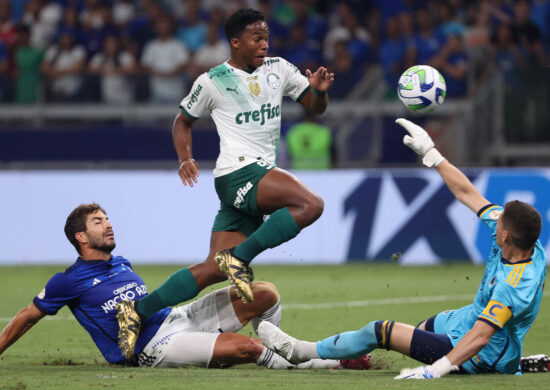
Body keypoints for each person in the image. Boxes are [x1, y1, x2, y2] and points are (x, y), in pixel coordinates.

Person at [115, 7, 334, 360]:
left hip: (257, 174)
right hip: (238, 173)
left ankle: (135, 312)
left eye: (266, 37)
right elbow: (182, 121)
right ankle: (240, 260)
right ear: (235, 42)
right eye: (256, 38)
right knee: (311, 205)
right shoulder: (212, 80)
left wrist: (320, 92)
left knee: (212, 269)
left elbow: (314, 105)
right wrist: (185, 157)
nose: (264, 44)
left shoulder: (279, 69)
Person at [256, 118, 546, 379]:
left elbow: (482, 336)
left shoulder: (513, 286)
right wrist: (432, 154)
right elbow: (467, 192)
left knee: (380, 330)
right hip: (466, 319)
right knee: (419, 332)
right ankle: (344, 359)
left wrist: (435, 370)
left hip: (483, 353)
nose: (492, 222)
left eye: (498, 225)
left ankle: (300, 351)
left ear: (506, 236)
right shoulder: (524, 241)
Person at [0, 203, 356, 370]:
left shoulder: (120, 262)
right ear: (81, 237)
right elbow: (27, 316)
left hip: (176, 317)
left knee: (265, 294)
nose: (108, 225)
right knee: (246, 348)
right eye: (98, 222)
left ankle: (280, 347)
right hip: (153, 346)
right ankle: (316, 364)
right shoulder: (67, 280)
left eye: (108, 218)